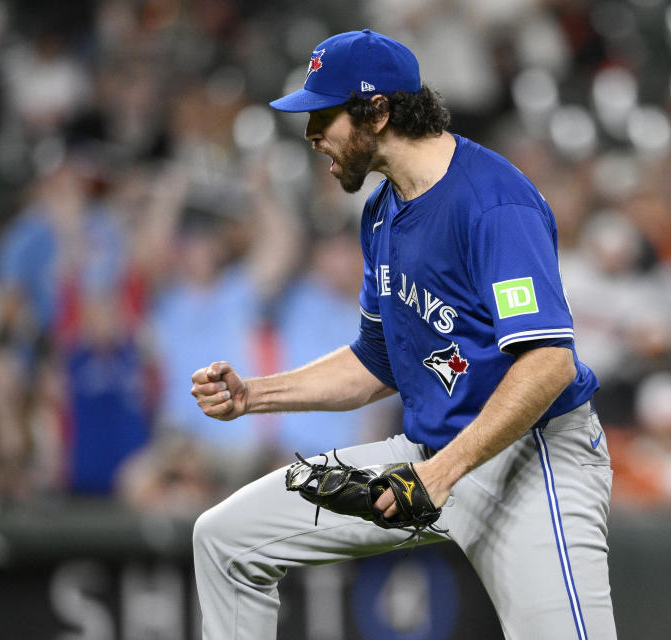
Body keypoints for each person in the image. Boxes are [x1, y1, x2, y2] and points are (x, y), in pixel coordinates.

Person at [190, 30, 615, 640]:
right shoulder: (383, 211)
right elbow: (377, 361)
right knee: (225, 540)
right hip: (428, 458)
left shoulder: (493, 202)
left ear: (379, 111)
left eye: (324, 115)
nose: (312, 135)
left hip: (532, 459)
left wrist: (442, 474)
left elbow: (550, 364)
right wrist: (254, 395)